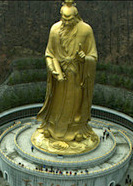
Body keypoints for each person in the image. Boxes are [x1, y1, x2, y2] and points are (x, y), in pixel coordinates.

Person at [31, 0, 99, 155]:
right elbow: (49, 54)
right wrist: (54, 70)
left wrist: (84, 58)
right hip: (59, 79)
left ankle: (76, 130)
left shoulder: (86, 30)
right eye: (64, 18)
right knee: (57, 104)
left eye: (70, 19)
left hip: (76, 78)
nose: (66, 22)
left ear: (76, 16)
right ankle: (53, 128)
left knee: (74, 104)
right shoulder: (54, 29)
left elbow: (93, 56)